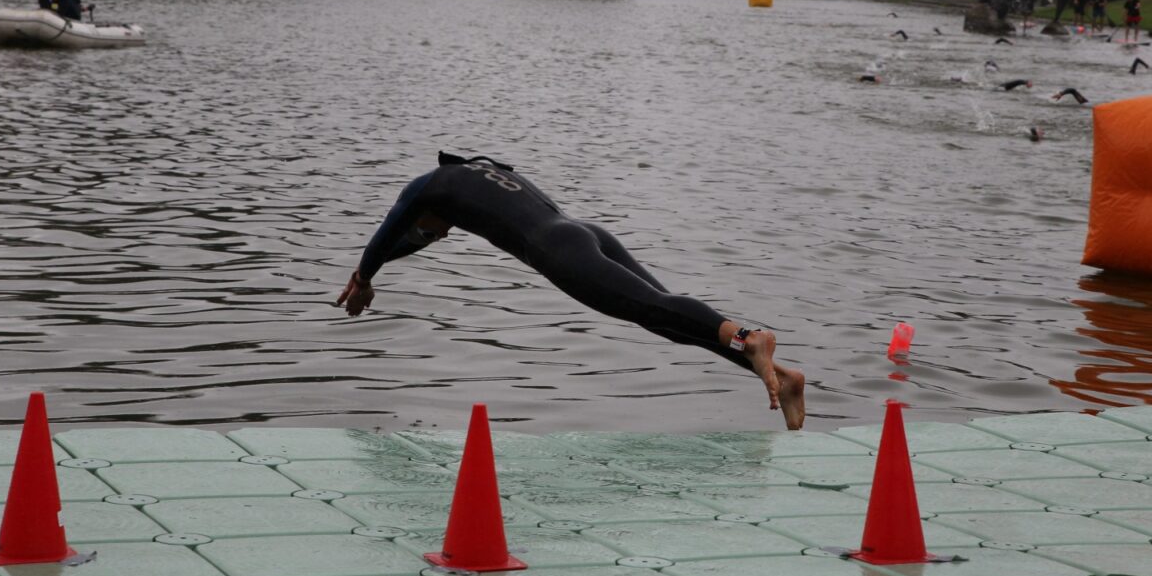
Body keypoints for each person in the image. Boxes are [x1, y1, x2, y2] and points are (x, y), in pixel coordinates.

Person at [336, 153, 807, 429]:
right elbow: (404, 241)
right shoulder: (478, 173)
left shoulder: (428, 188)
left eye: (430, 231)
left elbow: (390, 232)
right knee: (663, 316)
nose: (437, 236)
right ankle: (778, 375)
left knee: (655, 308)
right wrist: (373, 269)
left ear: (421, 208)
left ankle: (749, 338)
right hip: (587, 233)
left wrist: (364, 277)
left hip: (558, 251)